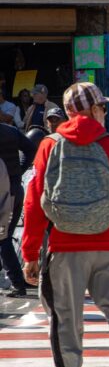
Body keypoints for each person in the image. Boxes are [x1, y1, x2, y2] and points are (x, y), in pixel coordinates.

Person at [21, 82, 109, 367]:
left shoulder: (50, 145)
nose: (104, 112)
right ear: (93, 109)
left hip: (63, 249)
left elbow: (34, 203)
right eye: (102, 107)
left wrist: (30, 252)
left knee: (66, 324)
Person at [0, 119, 34, 297]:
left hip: (7, 194)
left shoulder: (9, 132)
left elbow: (30, 149)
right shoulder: (11, 131)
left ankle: (17, 283)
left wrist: (20, 169)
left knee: (2, 238)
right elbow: (30, 148)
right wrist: (19, 170)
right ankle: (17, 280)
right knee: (3, 237)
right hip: (13, 189)